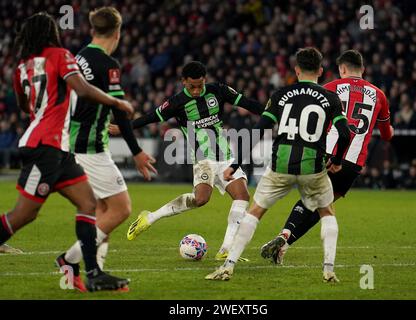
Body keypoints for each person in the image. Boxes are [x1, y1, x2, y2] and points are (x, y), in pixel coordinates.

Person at [0, 12, 133, 292]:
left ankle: (93, 273)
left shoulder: (21, 67)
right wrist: (116, 103)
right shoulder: (60, 55)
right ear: (51, 33)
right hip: (44, 148)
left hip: (59, 148)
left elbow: (25, 106)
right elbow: (81, 89)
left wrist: (46, 109)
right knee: (24, 215)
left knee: (88, 204)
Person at [205, 47, 351, 282]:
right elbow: (344, 133)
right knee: (327, 212)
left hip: (280, 165)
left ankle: (228, 266)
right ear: (321, 71)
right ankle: (328, 269)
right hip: (312, 167)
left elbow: (257, 131)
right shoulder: (331, 98)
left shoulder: (281, 94)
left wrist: (236, 164)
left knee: (255, 211)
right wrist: (337, 161)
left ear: (296, 70)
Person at [110, 61, 264, 261]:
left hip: (226, 156)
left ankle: (226, 249)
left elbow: (249, 104)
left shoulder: (219, 91)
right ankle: (149, 217)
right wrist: (125, 127)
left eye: (200, 85)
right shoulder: (177, 102)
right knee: (200, 199)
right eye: (192, 86)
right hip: (203, 159)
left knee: (242, 196)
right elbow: (151, 117)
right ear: (183, 82)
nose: (197, 90)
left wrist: (274, 112)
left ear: (205, 80)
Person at [55, 7, 157, 291]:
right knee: (121, 209)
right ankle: (69, 259)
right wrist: (136, 151)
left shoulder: (78, 57)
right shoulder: (107, 63)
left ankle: (95, 273)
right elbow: (120, 112)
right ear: (118, 32)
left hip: (72, 141)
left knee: (102, 210)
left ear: (92, 30)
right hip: (90, 147)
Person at [261, 50, 394, 265]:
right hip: (353, 163)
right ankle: (284, 245)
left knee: (312, 199)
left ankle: (285, 235)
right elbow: (387, 135)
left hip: (328, 154)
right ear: (363, 69)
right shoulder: (379, 94)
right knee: (322, 202)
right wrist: (390, 130)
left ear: (342, 69)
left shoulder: (329, 88)